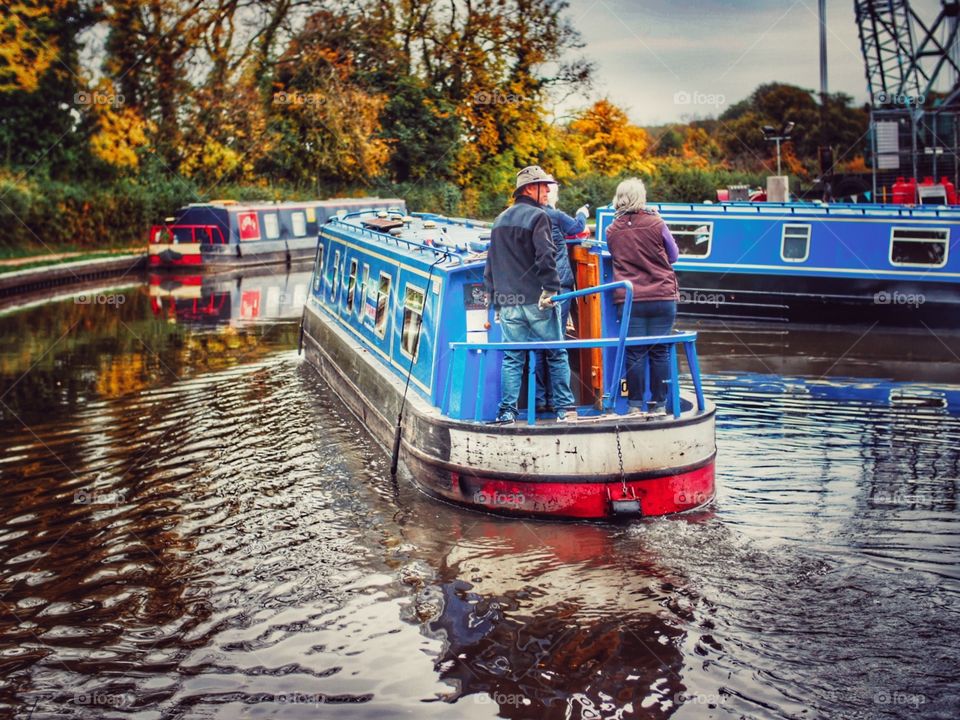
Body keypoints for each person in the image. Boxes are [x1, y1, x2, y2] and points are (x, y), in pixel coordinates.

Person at [483, 165, 577, 424]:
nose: (547, 190)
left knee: (513, 358)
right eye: (543, 185)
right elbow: (545, 256)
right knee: (556, 353)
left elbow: (490, 266)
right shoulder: (539, 217)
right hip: (538, 301)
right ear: (529, 189)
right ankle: (564, 409)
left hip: (509, 303)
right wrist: (550, 289)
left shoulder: (499, 220)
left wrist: (495, 302)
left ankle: (507, 412)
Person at [605, 177, 679, 416]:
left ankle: (634, 405)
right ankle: (659, 405)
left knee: (634, 352)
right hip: (661, 296)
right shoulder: (657, 223)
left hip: (630, 300)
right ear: (641, 198)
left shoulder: (611, 230)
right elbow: (674, 255)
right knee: (659, 351)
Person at [535, 184, 589, 411]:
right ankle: (560, 401)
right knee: (557, 341)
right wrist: (582, 213)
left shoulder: (528, 217)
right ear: (551, 197)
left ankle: (539, 400)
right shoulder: (555, 215)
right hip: (560, 286)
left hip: (536, 288)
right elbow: (577, 228)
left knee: (538, 343)